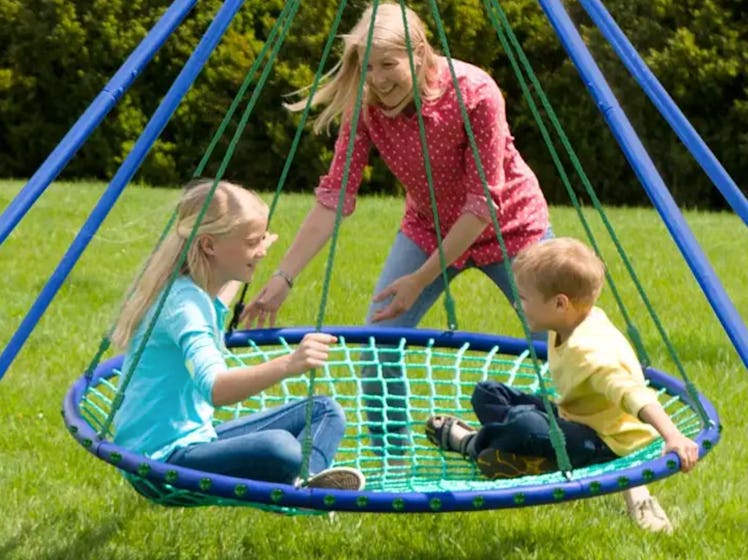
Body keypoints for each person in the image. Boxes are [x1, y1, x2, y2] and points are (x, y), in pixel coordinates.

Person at [243, 2, 551, 458]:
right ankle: (394, 460)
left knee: (565, 341)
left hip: (510, 226)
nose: (378, 78)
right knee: (377, 341)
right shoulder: (366, 105)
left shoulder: (475, 92)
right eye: (367, 67)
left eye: (388, 64)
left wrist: (420, 279)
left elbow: (482, 203)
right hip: (427, 228)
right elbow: (335, 197)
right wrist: (282, 279)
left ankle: (614, 471)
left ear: (420, 53)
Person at [425, 237, 700, 533]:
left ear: (560, 303)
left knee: (525, 423)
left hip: (605, 442)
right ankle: (525, 455)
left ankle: (472, 444)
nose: (517, 304)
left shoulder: (590, 352)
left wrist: (672, 436)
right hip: (574, 417)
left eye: (525, 298)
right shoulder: (575, 320)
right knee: (488, 393)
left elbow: (631, 393)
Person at [110, 178, 365, 491]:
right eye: (251, 243)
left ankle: (306, 480)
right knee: (280, 449)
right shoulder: (183, 308)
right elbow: (216, 389)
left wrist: (251, 248)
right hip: (159, 464)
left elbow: (216, 302)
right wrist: (289, 364)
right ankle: (300, 479)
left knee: (326, 410)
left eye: (260, 241)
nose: (260, 252)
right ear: (208, 245)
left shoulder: (195, 292)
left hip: (196, 438)